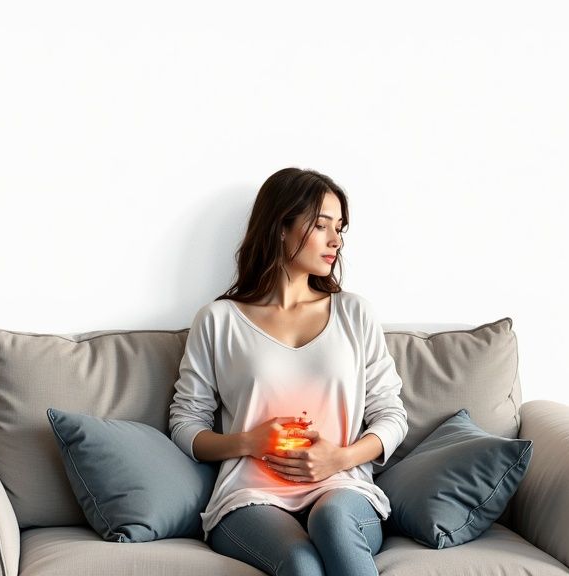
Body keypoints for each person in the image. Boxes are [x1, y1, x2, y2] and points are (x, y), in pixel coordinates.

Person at [168, 167, 409, 576]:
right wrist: (248, 441)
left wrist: (341, 457)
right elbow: (184, 423)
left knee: (332, 521)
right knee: (300, 564)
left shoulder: (354, 313)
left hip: (343, 488)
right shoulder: (219, 321)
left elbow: (392, 414)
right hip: (250, 498)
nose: (336, 240)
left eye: (340, 228)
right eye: (320, 225)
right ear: (281, 227)